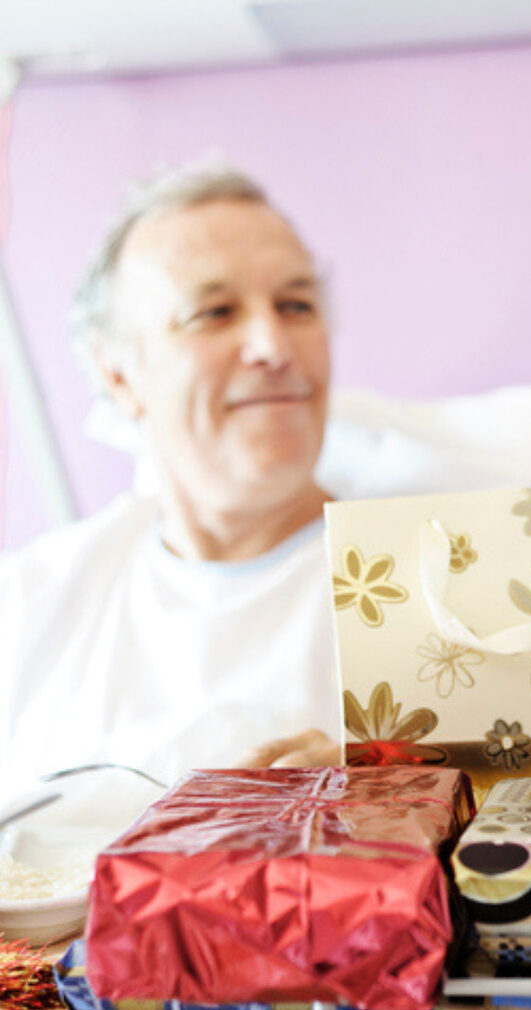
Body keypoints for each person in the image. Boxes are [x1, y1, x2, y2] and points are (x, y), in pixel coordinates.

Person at [0, 165, 343, 794]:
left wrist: (394, 789)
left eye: (296, 305)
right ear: (121, 377)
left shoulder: (427, 594)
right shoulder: (31, 605)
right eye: (213, 313)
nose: (273, 344)